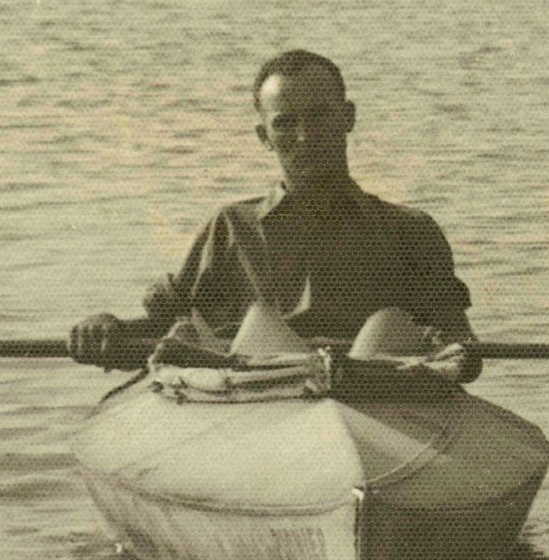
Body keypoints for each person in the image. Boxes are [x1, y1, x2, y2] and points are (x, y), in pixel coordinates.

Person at [69, 50, 478, 377]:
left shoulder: (410, 231)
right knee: (257, 322)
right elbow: (163, 333)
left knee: (387, 324)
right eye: (286, 123)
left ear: (348, 117)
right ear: (264, 137)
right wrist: (109, 328)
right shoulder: (230, 229)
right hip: (262, 398)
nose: (305, 137)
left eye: (320, 117)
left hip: (375, 394)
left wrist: (443, 349)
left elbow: (463, 350)